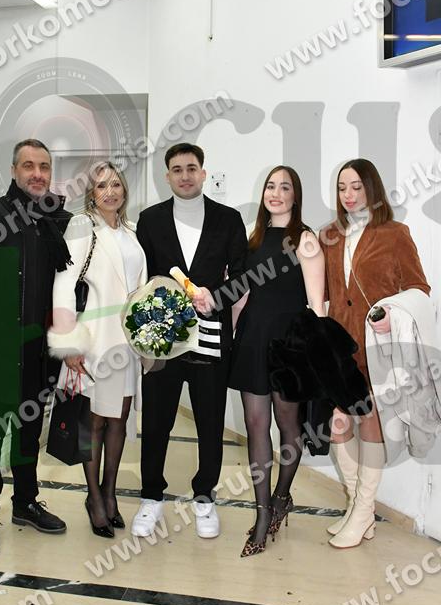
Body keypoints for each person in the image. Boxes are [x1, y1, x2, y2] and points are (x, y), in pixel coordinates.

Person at [0, 139, 72, 557]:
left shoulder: (53, 223)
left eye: (44, 166)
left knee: (27, 435)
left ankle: (25, 502)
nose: (37, 173)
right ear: (14, 170)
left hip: (38, 355)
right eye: (28, 165)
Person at [130, 143, 247, 539]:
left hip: (211, 338)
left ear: (203, 173)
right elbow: (142, 278)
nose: (185, 175)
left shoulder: (228, 219)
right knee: (156, 421)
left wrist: (218, 297)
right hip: (162, 339)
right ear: (167, 176)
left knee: (210, 423)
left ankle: (205, 497)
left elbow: (242, 275)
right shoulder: (150, 220)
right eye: (177, 169)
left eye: (191, 168)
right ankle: (151, 496)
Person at [320, 158, 430, 549]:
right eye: (342, 188)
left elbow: (419, 288)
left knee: (367, 420)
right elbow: (328, 293)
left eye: (356, 187)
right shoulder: (329, 235)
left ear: (372, 188)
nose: (348, 195)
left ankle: (363, 510)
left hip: (376, 348)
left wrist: (391, 315)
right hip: (340, 346)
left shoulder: (394, 234)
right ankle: (358, 507)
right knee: (338, 424)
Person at [229, 166, 325, 557]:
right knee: (256, 426)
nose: (276, 192)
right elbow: (240, 297)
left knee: (288, 426)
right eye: (271, 186)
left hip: (290, 344)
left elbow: (317, 305)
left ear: (295, 196)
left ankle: (282, 495)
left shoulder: (305, 240)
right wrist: (231, 337)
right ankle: (263, 512)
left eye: (285, 187)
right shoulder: (252, 240)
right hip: (253, 339)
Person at [48, 162, 147, 537]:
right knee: (94, 422)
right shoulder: (81, 225)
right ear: (91, 193)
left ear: (124, 190)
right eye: (102, 186)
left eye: (116, 184)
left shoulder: (131, 231)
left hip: (127, 343)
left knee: (118, 419)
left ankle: (109, 492)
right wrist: (69, 343)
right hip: (94, 341)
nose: (110, 192)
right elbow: (63, 285)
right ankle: (93, 497)